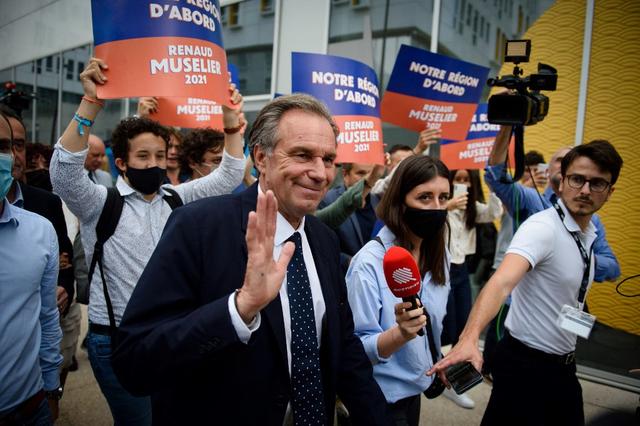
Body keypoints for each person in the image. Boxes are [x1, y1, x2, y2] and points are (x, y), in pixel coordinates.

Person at [111, 93, 390, 425]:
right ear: (261, 157)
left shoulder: (323, 240)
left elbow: (343, 351)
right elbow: (135, 361)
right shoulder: (198, 227)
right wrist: (239, 310)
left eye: (328, 159)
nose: (320, 173)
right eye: (302, 155)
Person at [49, 58, 245, 425]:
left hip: (172, 336)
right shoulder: (99, 202)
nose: (154, 163)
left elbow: (229, 174)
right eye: (143, 156)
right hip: (117, 341)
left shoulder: (174, 198)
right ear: (121, 163)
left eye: (159, 155)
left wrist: (231, 118)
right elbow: (62, 173)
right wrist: (90, 104)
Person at [429, 140, 623, 425]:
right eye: (577, 179)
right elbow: (501, 282)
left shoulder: (592, 232)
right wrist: (469, 339)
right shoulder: (542, 227)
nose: (584, 190)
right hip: (525, 364)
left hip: (564, 363)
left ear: (609, 192)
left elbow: (611, 268)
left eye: (597, 183)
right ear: (562, 182)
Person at [345, 155, 451, 426]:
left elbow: (432, 325)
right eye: (424, 197)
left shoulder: (439, 254)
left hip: (415, 393)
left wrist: (436, 358)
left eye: (443, 198)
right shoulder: (368, 264)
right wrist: (399, 334)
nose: (436, 208)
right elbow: (356, 349)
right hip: (379, 401)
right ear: (400, 202)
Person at [485, 125, 620, 282]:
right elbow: (495, 175)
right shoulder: (532, 200)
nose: (565, 165)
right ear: (547, 171)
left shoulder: (592, 220)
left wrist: (577, 258)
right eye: (560, 160)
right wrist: (507, 126)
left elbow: (613, 269)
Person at [0, 111, 63, 424]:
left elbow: (47, 315)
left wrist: (51, 389)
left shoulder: (40, 230)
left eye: (3, 146)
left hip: (29, 406)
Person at [440, 168, 502, 408]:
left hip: (462, 270)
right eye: (458, 179)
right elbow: (425, 215)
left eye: (467, 179)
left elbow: (493, 212)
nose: (462, 183)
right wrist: (448, 205)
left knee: (463, 327)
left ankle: (456, 382)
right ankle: (436, 374)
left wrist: (494, 187)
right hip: (440, 271)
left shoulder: (472, 208)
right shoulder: (442, 204)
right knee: (441, 327)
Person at [319, 162, 380, 272]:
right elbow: (322, 244)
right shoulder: (328, 200)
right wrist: (349, 261)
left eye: (371, 173)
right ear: (345, 174)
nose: (368, 177)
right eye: (361, 173)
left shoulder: (377, 200)